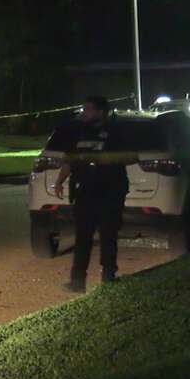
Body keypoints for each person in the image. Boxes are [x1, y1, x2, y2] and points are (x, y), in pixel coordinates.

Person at [52, 96, 134, 293]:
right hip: (85, 191)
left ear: (100, 112)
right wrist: (59, 181)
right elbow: (69, 159)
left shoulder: (116, 132)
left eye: (88, 109)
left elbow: (132, 156)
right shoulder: (80, 132)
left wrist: (106, 160)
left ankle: (108, 275)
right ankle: (77, 280)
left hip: (110, 191)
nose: (84, 113)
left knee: (108, 234)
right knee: (83, 236)